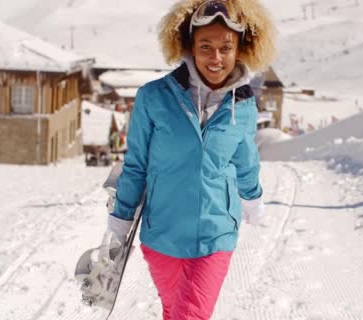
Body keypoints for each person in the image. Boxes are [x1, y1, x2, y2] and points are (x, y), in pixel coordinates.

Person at [85, 1, 276, 319]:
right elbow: (136, 165)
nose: (216, 58)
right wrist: (120, 221)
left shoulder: (242, 105)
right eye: (206, 46)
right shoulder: (154, 97)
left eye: (225, 47)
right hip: (163, 235)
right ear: (189, 45)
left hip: (216, 235)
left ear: (241, 48)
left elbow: (245, 160)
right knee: (174, 312)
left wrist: (253, 200)